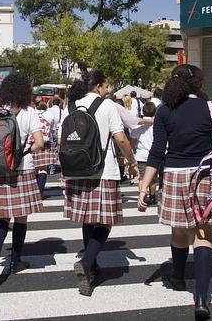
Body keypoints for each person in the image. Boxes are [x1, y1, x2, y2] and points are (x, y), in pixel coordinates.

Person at [138, 64, 212, 319]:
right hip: (204, 175)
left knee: (178, 231)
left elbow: (157, 151)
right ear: (198, 83)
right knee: (203, 234)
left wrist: (144, 186)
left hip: (175, 176)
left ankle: (178, 278)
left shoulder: (164, 110)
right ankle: (201, 299)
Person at [59, 71, 138, 297]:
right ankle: (87, 261)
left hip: (77, 169)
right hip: (103, 170)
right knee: (105, 222)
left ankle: (91, 268)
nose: (109, 89)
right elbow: (120, 138)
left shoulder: (72, 106)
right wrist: (132, 162)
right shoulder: (107, 106)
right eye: (107, 85)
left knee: (87, 218)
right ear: (99, 87)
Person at [0, 73, 45, 284]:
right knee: (21, 218)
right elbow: (39, 143)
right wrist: (22, 152)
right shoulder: (29, 111)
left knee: (2, 217)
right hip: (22, 170)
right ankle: (16, 260)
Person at [130, 102, 158, 205]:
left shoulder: (137, 127)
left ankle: (142, 197)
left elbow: (132, 142)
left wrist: (131, 154)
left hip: (141, 154)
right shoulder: (157, 124)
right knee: (153, 178)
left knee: (142, 177)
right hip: (154, 154)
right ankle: (152, 196)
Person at [32, 102, 55, 197]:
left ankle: (35, 192)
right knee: (43, 169)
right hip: (46, 143)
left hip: (35, 143)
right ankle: (40, 193)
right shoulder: (49, 114)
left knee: (35, 169)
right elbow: (53, 129)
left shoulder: (32, 113)